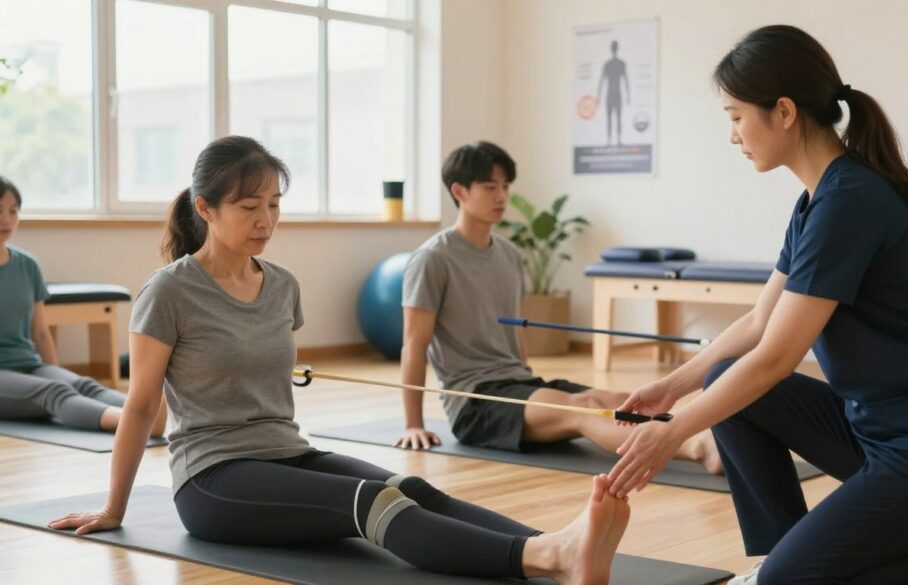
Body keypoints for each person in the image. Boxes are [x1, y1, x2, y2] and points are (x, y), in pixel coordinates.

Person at [48, 136, 630, 585]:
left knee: (411, 490)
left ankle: (558, 540)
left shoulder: (280, 285)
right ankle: (547, 557)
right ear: (204, 208)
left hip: (289, 451)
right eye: (249, 206)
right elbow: (143, 404)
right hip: (213, 478)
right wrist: (112, 507)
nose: (266, 221)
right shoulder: (169, 292)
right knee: (369, 503)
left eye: (274, 204)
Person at [608, 25, 908, 585]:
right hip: (878, 434)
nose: (732, 135)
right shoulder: (816, 200)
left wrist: (674, 431)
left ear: (782, 111)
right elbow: (758, 324)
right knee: (729, 378)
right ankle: (778, 559)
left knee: (792, 572)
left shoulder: (849, 201)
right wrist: (672, 388)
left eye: (735, 117)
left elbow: (778, 356)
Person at [397, 141, 722, 474]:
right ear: (459, 191)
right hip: (476, 403)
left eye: (506, 186)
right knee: (583, 411)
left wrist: (531, 383)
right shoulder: (432, 259)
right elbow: (414, 344)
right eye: (489, 186)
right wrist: (413, 424)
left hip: (518, 383)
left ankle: (712, 435)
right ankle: (698, 448)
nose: (501, 196)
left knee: (616, 400)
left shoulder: (509, 255)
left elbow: (514, 335)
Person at [0, 175, 165, 437]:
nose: (7, 219)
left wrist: (52, 371)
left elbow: (41, 333)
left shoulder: (27, 265)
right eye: (0, 210)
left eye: (13, 210)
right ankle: (131, 422)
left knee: (82, 384)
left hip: (28, 364)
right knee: (54, 392)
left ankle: (148, 412)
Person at [597, 41, 630, 146]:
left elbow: (626, 80)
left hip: (613, 94)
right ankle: (611, 140)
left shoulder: (613, 64)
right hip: (613, 94)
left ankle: (614, 140)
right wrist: (628, 95)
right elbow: (602, 81)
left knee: (614, 118)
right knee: (612, 118)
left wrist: (628, 95)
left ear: (612, 49)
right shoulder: (615, 64)